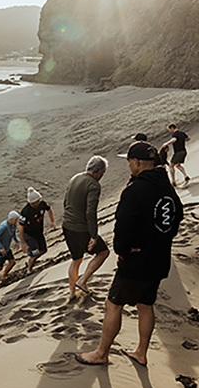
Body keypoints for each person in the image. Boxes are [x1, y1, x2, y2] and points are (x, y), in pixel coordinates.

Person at [76, 142, 183, 366]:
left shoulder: (135, 190)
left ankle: (101, 354)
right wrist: (162, 238)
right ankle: (141, 352)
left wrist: (123, 250)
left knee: (113, 304)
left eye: (129, 161)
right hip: (160, 258)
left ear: (136, 162)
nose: (128, 166)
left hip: (137, 261)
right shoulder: (166, 185)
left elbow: (123, 226)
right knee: (145, 304)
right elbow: (177, 214)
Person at [62, 156, 110, 297]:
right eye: (103, 173)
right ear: (99, 172)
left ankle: (72, 292)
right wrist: (93, 236)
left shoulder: (75, 178)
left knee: (76, 259)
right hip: (80, 228)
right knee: (103, 252)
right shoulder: (93, 185)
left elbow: (65, 201)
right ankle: (82, 281)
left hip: (67, 225)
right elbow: (90, 212)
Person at [19, 187, 56, 274]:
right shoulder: (26, 211)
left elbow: (49, 209)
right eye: (36, 202)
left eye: (38, 201)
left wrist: (52, 221)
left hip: (39, 232)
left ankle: (30, 261)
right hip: (29, 234)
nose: (38, 203)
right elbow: (21, 227)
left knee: (43, 250)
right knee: (35, 253)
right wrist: (23, 242)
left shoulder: (42, 204)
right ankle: (29, 269)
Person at [0, 211, 20, 288]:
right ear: (10, 219)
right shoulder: (4, 226)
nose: (17, 222)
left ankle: (4, 276)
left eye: (17, 220)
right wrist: (1, 247)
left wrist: (17, 241)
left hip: (7, 248)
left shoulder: (13, 225)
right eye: (15, 220)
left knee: (12, 262)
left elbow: (13, 234)